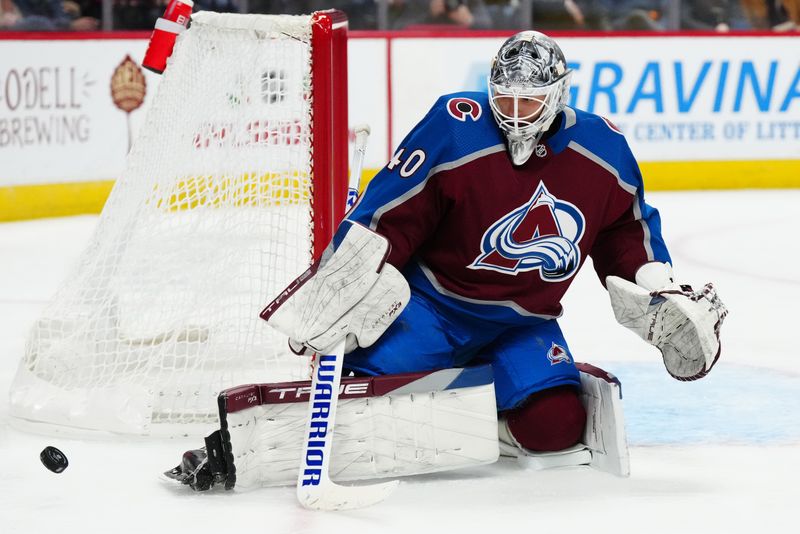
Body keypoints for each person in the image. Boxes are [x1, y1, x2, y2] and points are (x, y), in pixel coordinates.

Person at [166, 31, 728, 491]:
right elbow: (392, 212)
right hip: (434, 306)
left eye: (528, 102)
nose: (513, 115)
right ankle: (478, 389)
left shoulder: (603, 152)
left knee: (555, 430)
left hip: (521, 322)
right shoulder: (454, 128)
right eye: (502, 99)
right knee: (365, 407)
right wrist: (343, 287)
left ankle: (499, 394)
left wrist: (658, 284)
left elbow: (627, 232)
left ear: (557, 97)